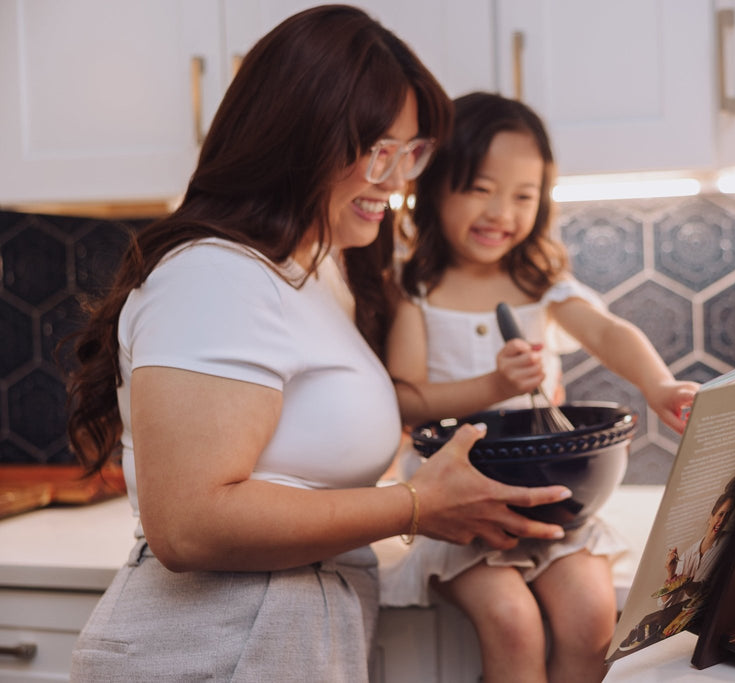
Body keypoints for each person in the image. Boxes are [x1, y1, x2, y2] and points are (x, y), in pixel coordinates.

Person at [60, 8, 572, 681]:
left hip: (278, 634)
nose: (397, 180)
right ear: (296, 138)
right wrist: (418, 505)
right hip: (210, 646)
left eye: (410, 151)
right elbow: (187, 523)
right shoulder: (213, 274)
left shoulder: (319, 275)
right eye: (377, 150)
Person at [384, 92, 700, 683]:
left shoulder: (540, 280)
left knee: (590, 617)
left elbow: (604, 331)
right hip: (458, 506)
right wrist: (493, 383)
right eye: (479, 187)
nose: (500, 211)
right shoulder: (415, 288)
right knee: (511, 621)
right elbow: (405, 398)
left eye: (523, 196)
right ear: (434, 187)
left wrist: (657, 384)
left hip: (550, 499)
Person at [662, 476, 735, 600]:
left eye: (727, 516)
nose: (722, 521)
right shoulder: (688, 555)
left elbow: (705, 590)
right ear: (711, 516)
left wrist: (684, 584)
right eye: (720, 514)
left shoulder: (728, 543)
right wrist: (671, 573)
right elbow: (665, 601)